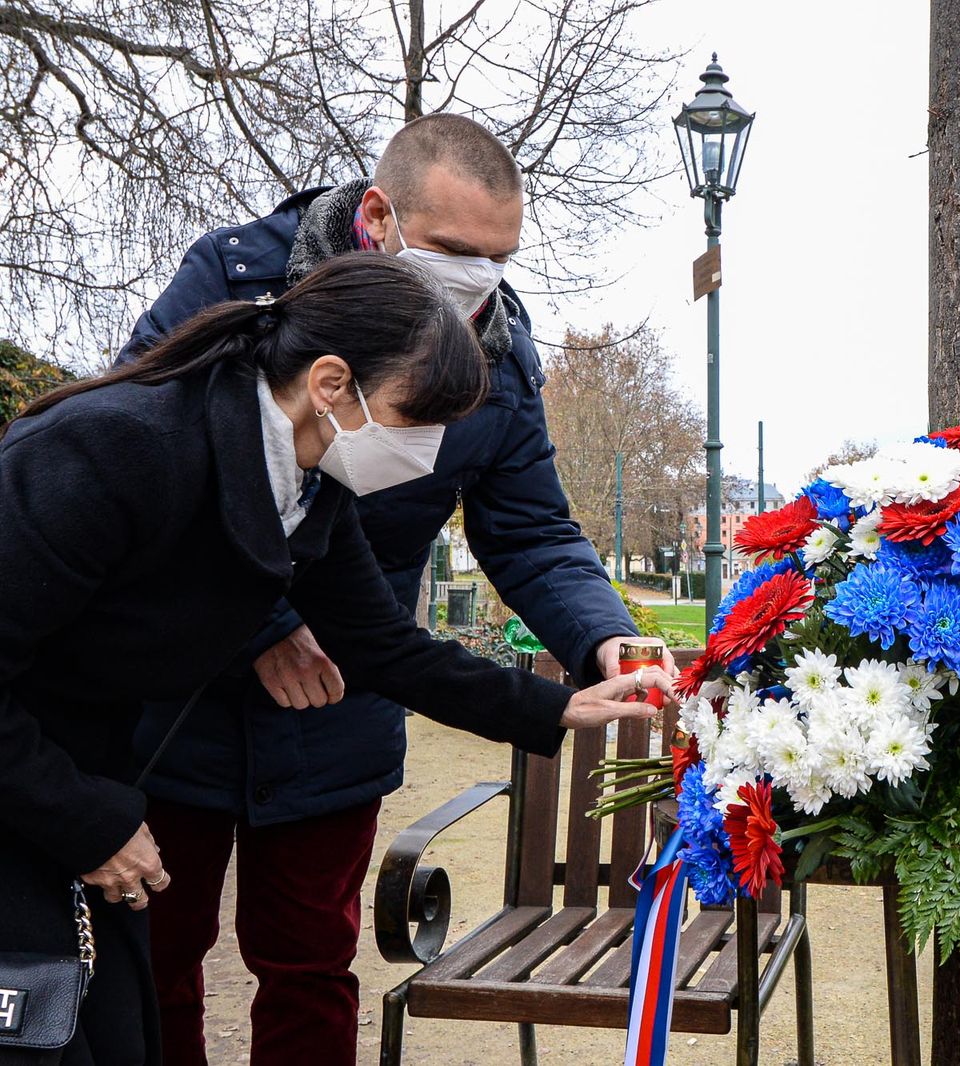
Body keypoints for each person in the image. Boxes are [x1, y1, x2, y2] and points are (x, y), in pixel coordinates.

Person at [0, 253, 674, 1066]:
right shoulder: (114, 447)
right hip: (30, 782)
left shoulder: (310, 483)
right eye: (417, 421)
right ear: (331, 383)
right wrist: (86, 822)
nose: (428, 455)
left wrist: (559, 706)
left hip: (79, 780)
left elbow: (382, 645)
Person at [115, 115, 645, 1065]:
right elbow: (148, 460)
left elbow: (530, 531)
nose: (479, 281)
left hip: (347, 687)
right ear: (378, 216)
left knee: (312, 961)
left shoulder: (504, 361)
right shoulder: (235, 281)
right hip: (179, 683)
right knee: (152, 954)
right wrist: (265, 625)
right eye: (453, 252)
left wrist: (599, 638)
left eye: (501, 257)